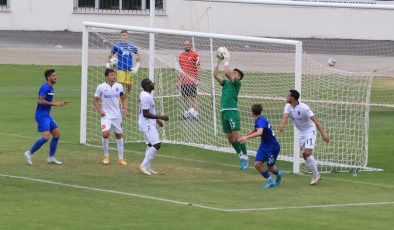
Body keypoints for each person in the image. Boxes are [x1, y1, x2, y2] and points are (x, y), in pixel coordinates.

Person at [280, 89, 330, 185]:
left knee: (307, 153)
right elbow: (285, 116)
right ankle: (316, 172)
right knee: (305, 155)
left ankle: (316, 176)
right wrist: (282, 125)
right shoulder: (288, 106)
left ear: (293, 98)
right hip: (301, 133)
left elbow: (316, 121)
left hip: (310, 131)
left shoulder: (304, 108)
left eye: (288, 96)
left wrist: (323, 134)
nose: (287, 97)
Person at [24, 69, 69, 165]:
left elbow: (48, 102)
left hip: (47, 115)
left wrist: (59, 103)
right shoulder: (45, 87)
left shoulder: (51, 88)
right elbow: (40, 101)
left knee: (57, 135)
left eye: (55, 75)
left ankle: (51, 157)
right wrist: (55, 104)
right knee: (46, 137)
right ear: (48, 77)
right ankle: (29, 153)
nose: (55, 77)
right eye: (53, 75)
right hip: (41, 116)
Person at [213, 49, 249, 170]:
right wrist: (217, 62)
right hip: (224, 112)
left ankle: (245, 157)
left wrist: (227, 60)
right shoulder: (226, 84)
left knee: (238, 137)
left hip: (232, 112)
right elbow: (215, 75)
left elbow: (227, 72)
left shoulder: (237, 84)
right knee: (230, 138)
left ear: (239, 77)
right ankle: (241, 156)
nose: (233, 73)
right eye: (233, 72)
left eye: (235, 73)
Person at [239, 104, 282, 189]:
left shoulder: (261, 120)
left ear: (252, 112)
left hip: (273, 147)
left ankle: (279, 173)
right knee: (257, 164)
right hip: (264, 146)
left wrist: (247, 137)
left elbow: (259, 132)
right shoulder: (258, 119)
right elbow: (255, 130)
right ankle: (270, 181)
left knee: (270, 168)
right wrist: (245, 136)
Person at [94, 68, 129, 166]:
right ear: (107, 77)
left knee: (119, 135)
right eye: (112, 75)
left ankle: (121, 159)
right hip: (106, 116)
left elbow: (123, 99)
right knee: (105, 134)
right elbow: (95, 100)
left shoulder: (119, 86)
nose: (114, 76)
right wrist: (101, 111)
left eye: (114, 74)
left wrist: (125, 109)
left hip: (117, 116)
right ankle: (106, 156)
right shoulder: (101, 87)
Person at [138, 78, 169, 175]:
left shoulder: (144, 94)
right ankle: (143, 166)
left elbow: (149, 111)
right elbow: (146, 113)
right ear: (147, 86)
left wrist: (157, 120)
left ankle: (147, 167)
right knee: (157, 144)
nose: (153, 84)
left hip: (147, 123)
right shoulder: (146, 97)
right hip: (146, 123)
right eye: (151, 83)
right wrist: (161, 117)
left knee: (150, 145)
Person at [107, 30, 140, 94]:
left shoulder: (131, 45)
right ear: (120, 37)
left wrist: (137, 66)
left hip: (129, 68)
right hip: (120, 68)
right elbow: (110, 54)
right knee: (120, 86)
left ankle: (125, 98)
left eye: (125, 35)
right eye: (123, 35)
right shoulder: (117, 45)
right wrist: (108, 63)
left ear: (127, 36)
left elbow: (138, 55)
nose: (124, 37)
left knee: (129, 87)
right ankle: (121, 101)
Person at [178, 40, 200, 120]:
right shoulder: (181, 56)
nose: (186, 46)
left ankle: (196, 114)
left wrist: (198, 79)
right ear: (183, 46)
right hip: (184, 81)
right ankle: (186, 113)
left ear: (190, 45)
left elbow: (198, 67)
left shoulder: (195, 55)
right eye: (185, 45)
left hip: (192, 80)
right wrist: (178, 81)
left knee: (194, 97)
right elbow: (180, 69)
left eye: (188, 45)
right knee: (185, 97)